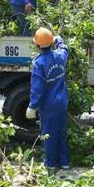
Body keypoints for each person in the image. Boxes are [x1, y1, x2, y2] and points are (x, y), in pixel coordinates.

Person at [26, 27, 70, 170]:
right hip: (62, 102)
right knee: (61, 132)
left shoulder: (39, 63)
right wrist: (59, 40)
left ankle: (50, 164)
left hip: (48, 105)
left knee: (48, 134)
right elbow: (65, 49)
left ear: (37, 45)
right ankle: (64, 163)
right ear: (51, 43)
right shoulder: (59, 56)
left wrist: (32, 106)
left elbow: (37, 88)